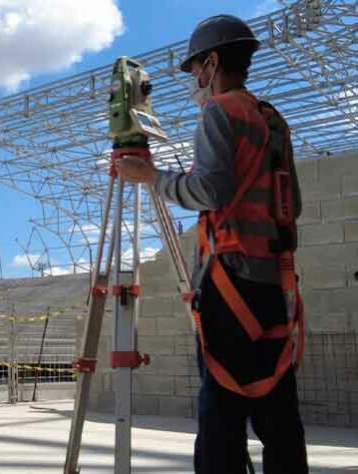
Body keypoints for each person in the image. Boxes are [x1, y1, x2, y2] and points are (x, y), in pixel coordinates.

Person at [116, 14, 308, 474]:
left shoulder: (220, 111)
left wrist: (150, 177)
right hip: (273, 287)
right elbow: (292, 204)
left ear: (213, 62)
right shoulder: (271, 120)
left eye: (195, 69)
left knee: (221, 414)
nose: (193, 81)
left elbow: (210, 191)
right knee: (277, 412)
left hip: (230, 287)